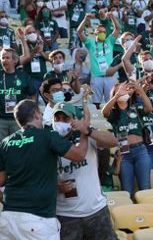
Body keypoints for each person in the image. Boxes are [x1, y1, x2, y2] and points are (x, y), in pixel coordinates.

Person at [0, 99, 89, 240]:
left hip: (7, 218)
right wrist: (85, 132)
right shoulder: (48, 136)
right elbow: (79, 155)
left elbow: (1, 181)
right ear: (36, 114)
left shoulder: (5, 143)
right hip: (38, 219)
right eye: (40, 113)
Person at [53, 102, 118, 240]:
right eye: (57, 119)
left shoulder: (87, 133)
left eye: (66, 119)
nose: (60, 123)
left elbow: (113, 141)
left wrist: (87, 130)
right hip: (66, 215)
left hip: (96, 211)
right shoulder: (48, 140)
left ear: (74, 119)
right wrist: (57, 186)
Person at [102, 80, 153, 197]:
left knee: (145, 188)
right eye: (120, 89)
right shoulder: (114, 113)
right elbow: (104, 112)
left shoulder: (136, 107)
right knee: (127, 190)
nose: (124, 91)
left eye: (125, 89)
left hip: (141, 151)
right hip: (124, 154)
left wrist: (140, 90)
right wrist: (116, 96)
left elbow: (149, 108)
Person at [77, 12, 120, 109]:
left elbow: (117, 28)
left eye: (104, 32)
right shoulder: (90, 42)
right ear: (95, 32)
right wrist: (85, 19)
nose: (103, 33)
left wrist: (112, 17)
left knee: (111, 101)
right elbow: (79, 32)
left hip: (109, 76)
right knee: (96, 102)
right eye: (100, 31)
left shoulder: (110, 41)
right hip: (96, 77)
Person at [0, 48, 36, 139]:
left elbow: (33, 94)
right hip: (1, 120)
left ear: (15, 60)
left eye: (7, 58)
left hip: (18, 120)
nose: (4, 60)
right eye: (2, 58)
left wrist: (30, 111)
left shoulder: (23, 76)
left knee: (17, 147)